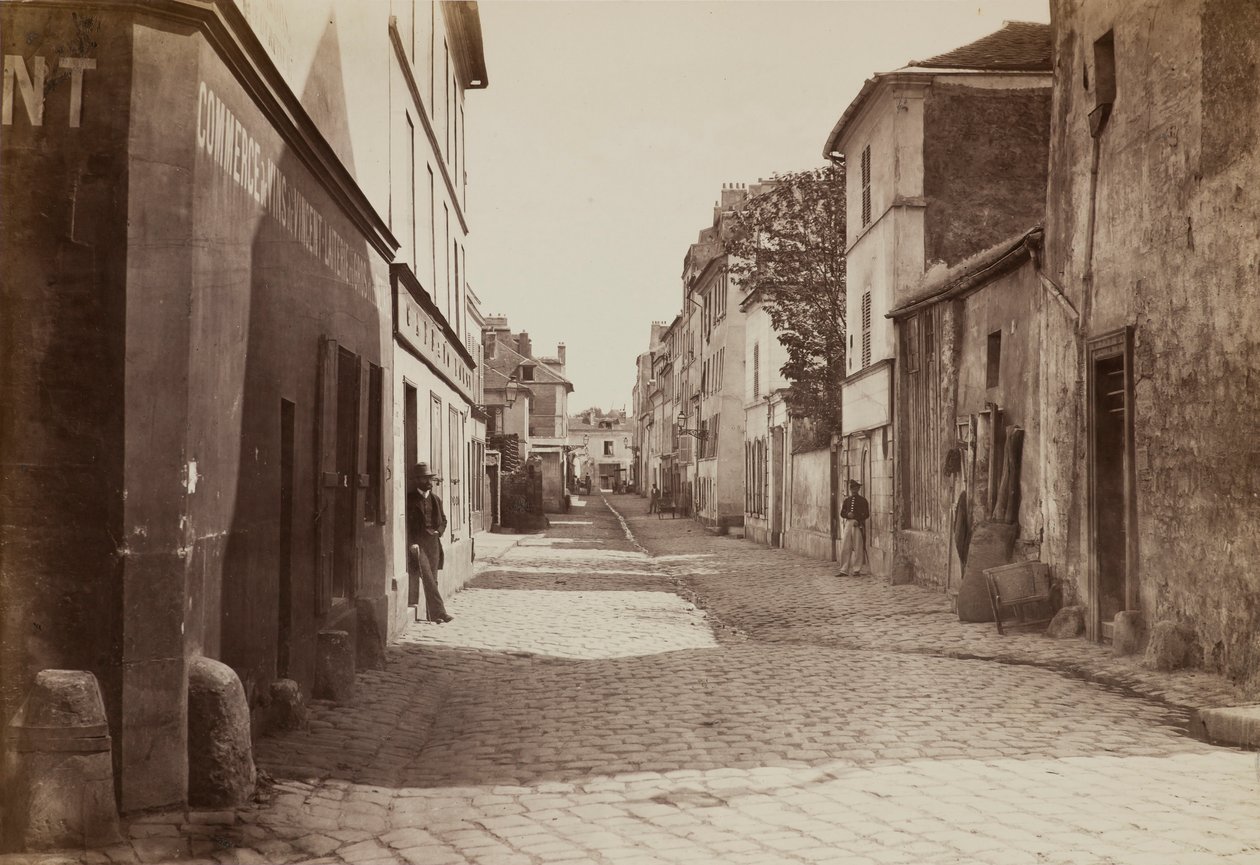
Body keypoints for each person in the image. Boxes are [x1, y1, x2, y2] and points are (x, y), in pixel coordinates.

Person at [407, 462, 452, 623]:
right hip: (418, 544)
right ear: (417, 480)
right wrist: (412, 542)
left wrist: (438, 531)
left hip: (433, 543)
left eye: (430, 478)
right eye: (425, 478)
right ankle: (440, 612)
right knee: (427, 576)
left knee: (433, 578)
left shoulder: (436, 499)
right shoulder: (410, 499)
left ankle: (432, 615)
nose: (429, 482)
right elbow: (406, 524)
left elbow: (444, 520)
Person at [837, 479, 870, 576]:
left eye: (856, 488)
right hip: (848, 524)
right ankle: (843, 570)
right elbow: (842, 513)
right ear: (850, 489)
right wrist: (847, 514)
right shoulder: (847, 500)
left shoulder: (863, 501)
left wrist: (858, 520)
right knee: (845, 547)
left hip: (857, 525)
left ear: (859, 489)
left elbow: (866, 514)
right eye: (852, 488)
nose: (854, 490)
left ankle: (856, 570)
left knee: (858, 547)